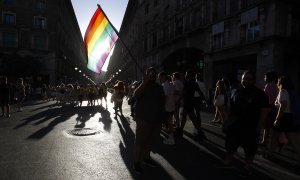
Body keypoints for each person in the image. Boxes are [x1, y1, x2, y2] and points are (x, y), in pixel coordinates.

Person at [220, 71, 269, 177]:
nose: (246, 81)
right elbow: (230, 107)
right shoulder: (236, 91)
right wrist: (227, 120)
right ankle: (227, 163)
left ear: (254, 80)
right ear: (241, 79)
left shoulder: (261, 94)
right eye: (244, 79)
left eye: (249, 79)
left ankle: (246, 168)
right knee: (230, 145)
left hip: (251, 126)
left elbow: (264, 111)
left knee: (250, 149)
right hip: (234, 125)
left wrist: (259, 127)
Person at [133, 67, 165, 175]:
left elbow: (162, 102)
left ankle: (146, 158)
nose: (152, 75)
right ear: (145, 74)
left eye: (154, 73)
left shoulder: (158, 87)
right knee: (140, 142)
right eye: (149, 73)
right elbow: (135, 95)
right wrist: (144, 83)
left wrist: (163, 118)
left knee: (150, 141)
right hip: (143, 119)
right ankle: (137, 162)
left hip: (156, 119)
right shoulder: (140, 85)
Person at [274, 76, 300, 156]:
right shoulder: (292, 92)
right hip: (293, 117)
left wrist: (277, 119)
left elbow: (283, 105)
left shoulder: (283, 92)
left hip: (285, 117)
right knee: (295, 140)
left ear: (281, 83)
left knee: (275, 136)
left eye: (278, 82)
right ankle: (276, 151)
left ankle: (272, 153)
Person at [177, 69, 206, 140]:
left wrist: (178, 100)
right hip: (191, 102)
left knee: (186, 117)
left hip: (187, 102)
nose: (185, 74)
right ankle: (199, 131)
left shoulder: (187, 83)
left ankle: (181, 131)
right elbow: (200, 92)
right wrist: (204, 99)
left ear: (189, 75)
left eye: (186, 73)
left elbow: (183, 93)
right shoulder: (194, 83)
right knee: (191, 116)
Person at [159, 72, 176, 145]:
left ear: (163, 77)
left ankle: (171, 138)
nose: (159, 78)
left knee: (169, 122)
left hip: (167, 106)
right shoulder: (171, 84)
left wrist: (161, 106)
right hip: (171, 105)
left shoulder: (165, 85)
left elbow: (165, 97)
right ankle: (171, 136)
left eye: (160, 77)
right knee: (169, 121)